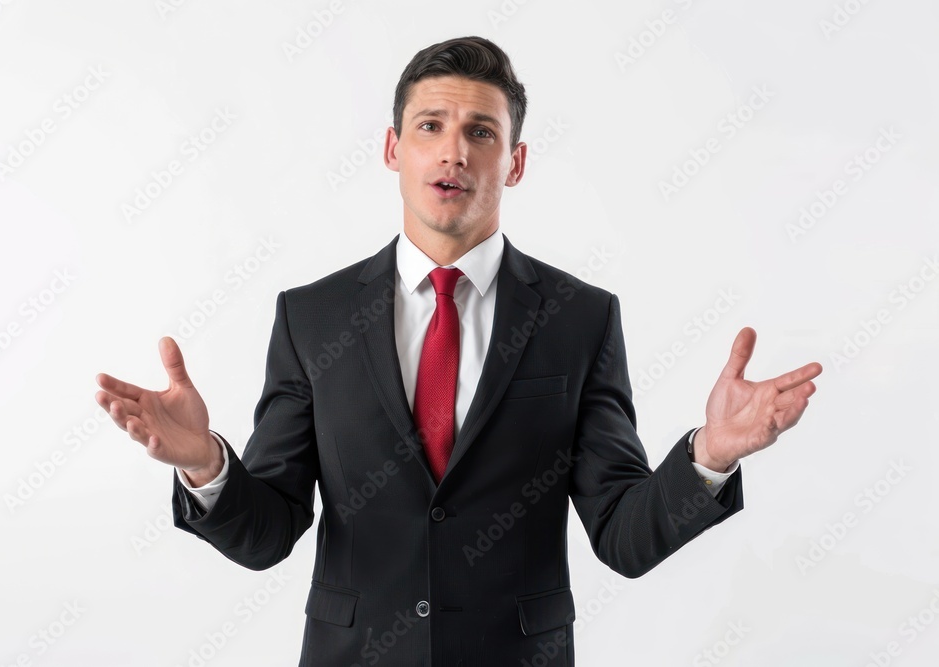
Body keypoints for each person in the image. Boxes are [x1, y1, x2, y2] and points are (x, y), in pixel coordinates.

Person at [95, 36, 821, 666]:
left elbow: (624, 536)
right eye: (430, 126)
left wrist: (709, 456)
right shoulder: (311, 317)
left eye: (481, 132)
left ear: (516, 161)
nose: (453, 150)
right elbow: (268, 531)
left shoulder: (580, 318)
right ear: (392, 149)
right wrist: (205, 464)